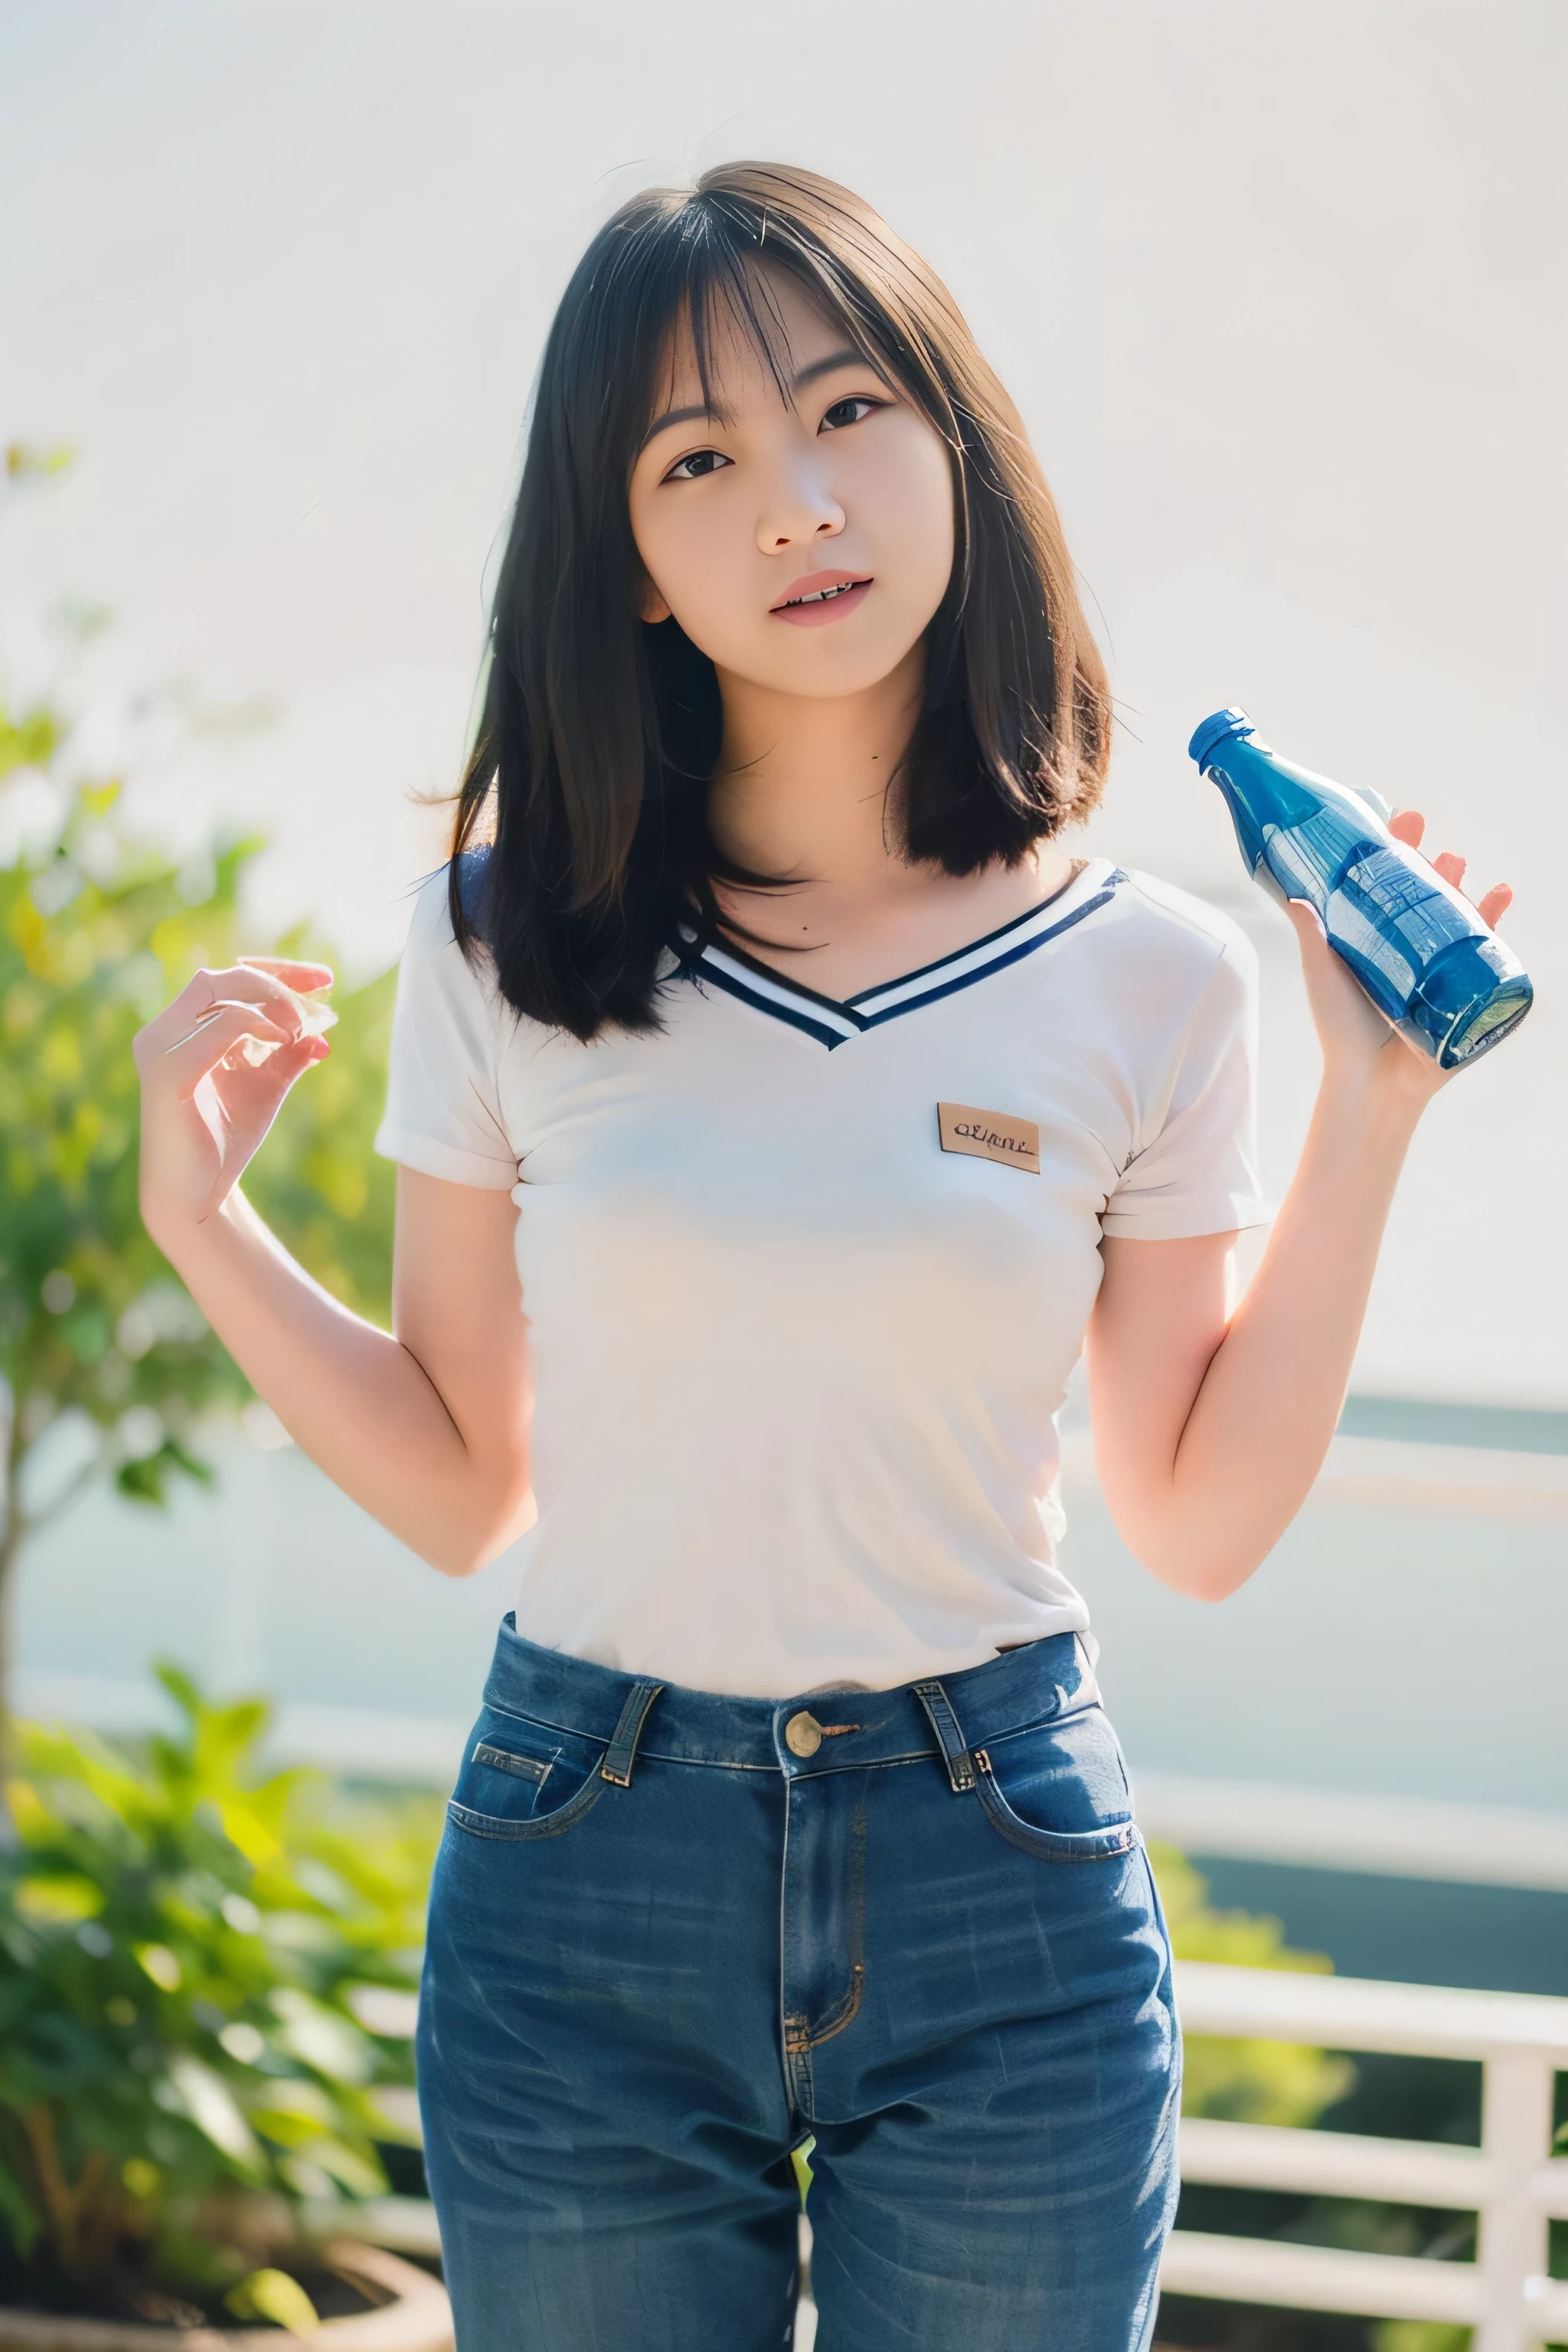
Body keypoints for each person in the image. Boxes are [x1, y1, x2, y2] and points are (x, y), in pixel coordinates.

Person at [134, 165, 1513, 2352]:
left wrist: (1374, 1113)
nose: (794, 501)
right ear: (634, 570)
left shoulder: (1155, 970)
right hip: (583, 1861)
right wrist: (198, 1230)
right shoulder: (503, 944)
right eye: (699, 460)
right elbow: (461, 1479)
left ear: (957, 451)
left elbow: (1199, 1515)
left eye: (850, 411)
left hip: (1003, 1883)